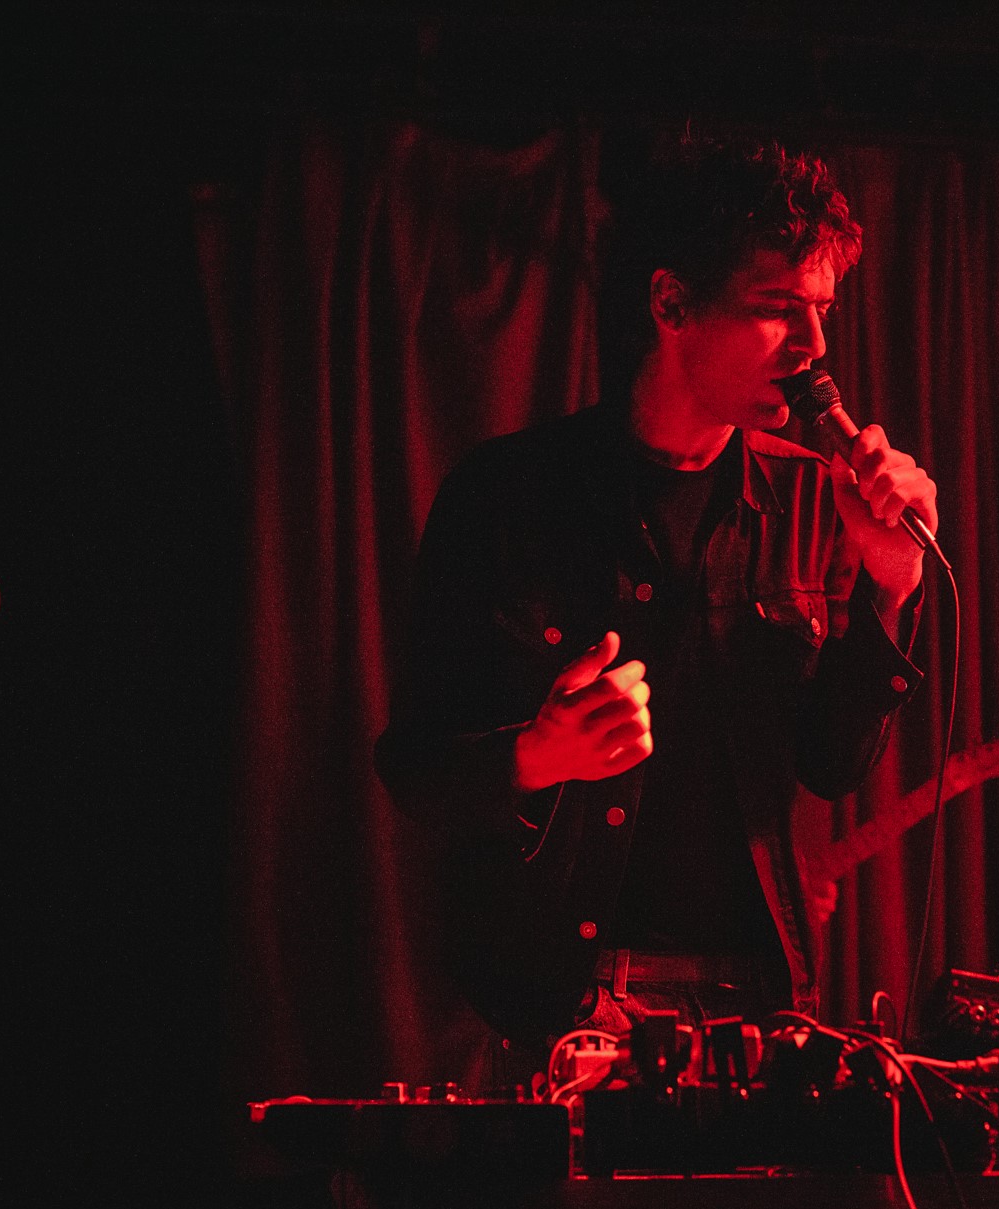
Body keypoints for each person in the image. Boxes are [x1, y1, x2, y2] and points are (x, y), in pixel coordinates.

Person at [375, 135, 937, 1048]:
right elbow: (415, 768)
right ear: (672, 302)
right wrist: (538, 755)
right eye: (776, 309)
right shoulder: (506, 494)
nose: (815, 348)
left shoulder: (809, 499)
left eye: (823, 311)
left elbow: (831, 766)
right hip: (566, 1004)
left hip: (761, 1003)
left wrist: (892, 584)